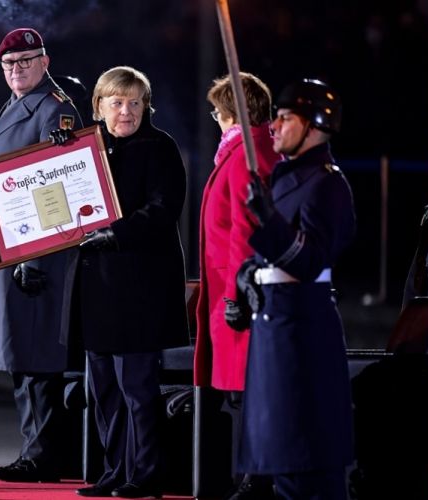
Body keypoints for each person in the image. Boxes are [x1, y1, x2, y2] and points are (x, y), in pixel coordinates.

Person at [0, 27, 82, 483]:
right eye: (9, 65)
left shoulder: (55, 110)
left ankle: (43, 455)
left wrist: (34, 256)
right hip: (9, 249)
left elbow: (57, 184)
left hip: (34, 255)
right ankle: (37, 451)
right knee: (21, 359)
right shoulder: (17, 104)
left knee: (35, 357)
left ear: (45, 62)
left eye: (26, 61)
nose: (17, 70)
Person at [67, 66, 189, 498]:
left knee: (136, 388)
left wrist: (114, 233)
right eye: (116, 103)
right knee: (103, 389)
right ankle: (115, 469)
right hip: (98, 289)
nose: (126, 111)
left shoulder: (159, 147)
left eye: (135, 102)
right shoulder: (88, 150)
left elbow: (162, 210)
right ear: (98, 106)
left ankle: (146, 471)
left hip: (140, 290)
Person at [238, 78, 355, 499]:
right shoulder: (289, 177)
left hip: (302, 331)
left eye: (286, 118)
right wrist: (246, 276)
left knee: (307, 464)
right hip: (275, 324)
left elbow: (309, 260)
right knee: (284, 461)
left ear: (315, 125)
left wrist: (266, 223)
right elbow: (270, 256)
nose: (275, 126)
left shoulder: (328, 183)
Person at [191, 73, 280, 499]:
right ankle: (250, 476)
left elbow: (246, 232)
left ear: (232, 112)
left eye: (218, 112)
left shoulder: (249, 152)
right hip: (232, 291)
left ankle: (255, 479)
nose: (216, 119)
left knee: (250, 393)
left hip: (239, 295)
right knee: (243, 394)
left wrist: (235, 295)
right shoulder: (246, 149)